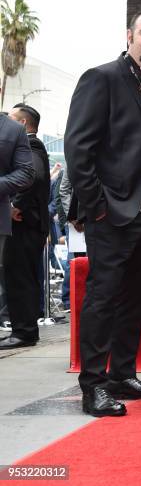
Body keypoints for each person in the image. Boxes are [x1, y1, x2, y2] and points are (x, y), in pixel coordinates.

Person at [64, 6, 141, 417]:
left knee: (136, 298)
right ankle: (93, 385)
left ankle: (120, 373)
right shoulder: (101, 79)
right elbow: (78, 148)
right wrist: (97, 206)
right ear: (129, 35)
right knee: (103, 297)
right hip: (111, 214)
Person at [0, 106, 43, 349]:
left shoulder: (30, 142)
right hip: (21, 220)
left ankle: (24, 330)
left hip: (25, 223)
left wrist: (17, 206)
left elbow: (32, 176)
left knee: (20, 278)